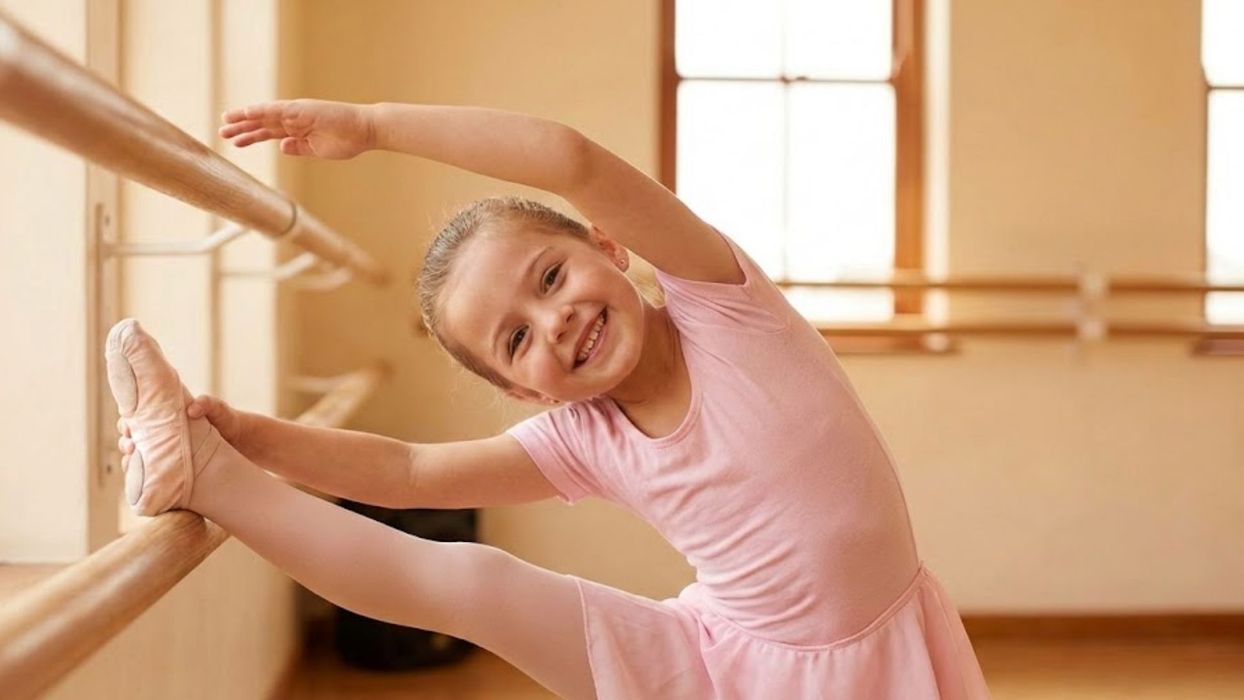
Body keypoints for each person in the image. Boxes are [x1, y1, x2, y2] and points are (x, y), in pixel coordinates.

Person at [110, 99, 991, 699]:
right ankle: (207, 473)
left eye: (551, 275)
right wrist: (249, 435)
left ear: (609, 244)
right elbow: (406, 471)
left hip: (874, 648)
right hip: (717, 668)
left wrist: (372, 125)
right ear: (517, 388)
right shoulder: (585, 438)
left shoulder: (723, 301)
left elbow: (568, 158)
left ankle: (211, 463)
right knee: (467, 579)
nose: (556, 321)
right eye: (517, 339)